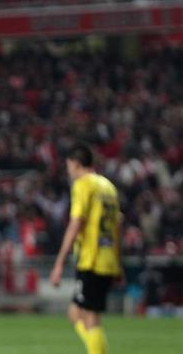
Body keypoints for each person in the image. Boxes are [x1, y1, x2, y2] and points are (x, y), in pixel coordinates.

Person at [50, 143, 123, 354]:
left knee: (90, 318)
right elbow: (118, 226)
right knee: (75, 314)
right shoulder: (108, 187)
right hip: (108, 259)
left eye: (68, 166)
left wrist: (59, 263)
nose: (68, 172)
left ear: (76, 164)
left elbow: (76, 224)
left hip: (92, 259)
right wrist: (118, 263)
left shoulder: (83, 185)